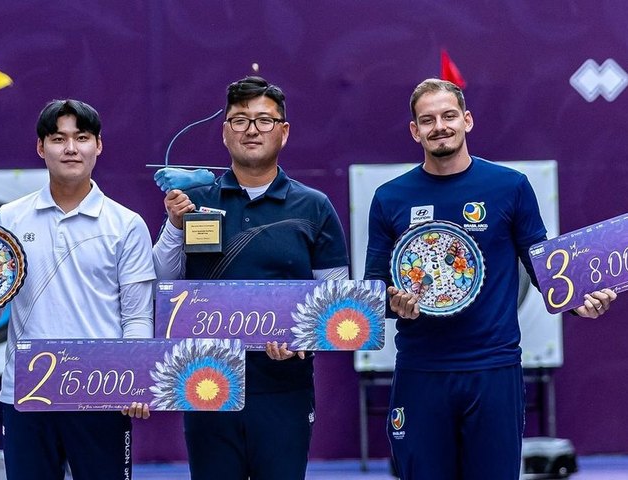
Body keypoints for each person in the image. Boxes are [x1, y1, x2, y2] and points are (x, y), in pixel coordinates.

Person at [363, 78, 617, 479]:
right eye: (426, 120)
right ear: (414, 131)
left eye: (448, 116)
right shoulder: (389, 197)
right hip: (421, 371)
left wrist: (579, 300)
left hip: (494, 369)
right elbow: (374, 291)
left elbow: (542, 267)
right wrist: (395, 305)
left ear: (467, 120)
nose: (439, 126)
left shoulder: (510, 187)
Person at [0, 99, 154, 480]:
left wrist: (133, 377)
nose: (71, 149)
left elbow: (137, 314)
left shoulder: (126, 224)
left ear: (98, 145)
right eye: (58, 138)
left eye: (82, 138)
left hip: (100, 395)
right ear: (41, 148)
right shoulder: (10, 217)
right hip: (26, 396)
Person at [153, 76, 350, 479]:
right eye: (240, 120)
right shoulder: (195, 202)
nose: (252, 130)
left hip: (284, 386)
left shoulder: (314, 206)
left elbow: (336, 297)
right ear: (225, 132)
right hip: (206, 381)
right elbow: (162, 282)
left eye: (264, 120)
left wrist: (301, 339)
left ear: (284, 131)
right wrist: (174, 225)